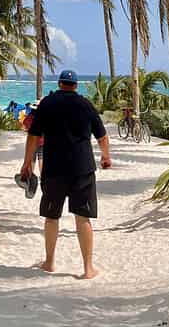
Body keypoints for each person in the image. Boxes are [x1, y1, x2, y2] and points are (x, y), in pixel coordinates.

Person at [21, 70, 111, 279]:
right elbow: (102, 136)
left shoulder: (48, 104)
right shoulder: (86, 104)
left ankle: (50, 262)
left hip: (54, 168)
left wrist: (27, 163)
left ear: (60, 83)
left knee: (51, 217)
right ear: (75, 85)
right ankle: (88, 268)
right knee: (83, 218)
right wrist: (106, 157)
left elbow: (33, 136)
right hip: (82, 169)